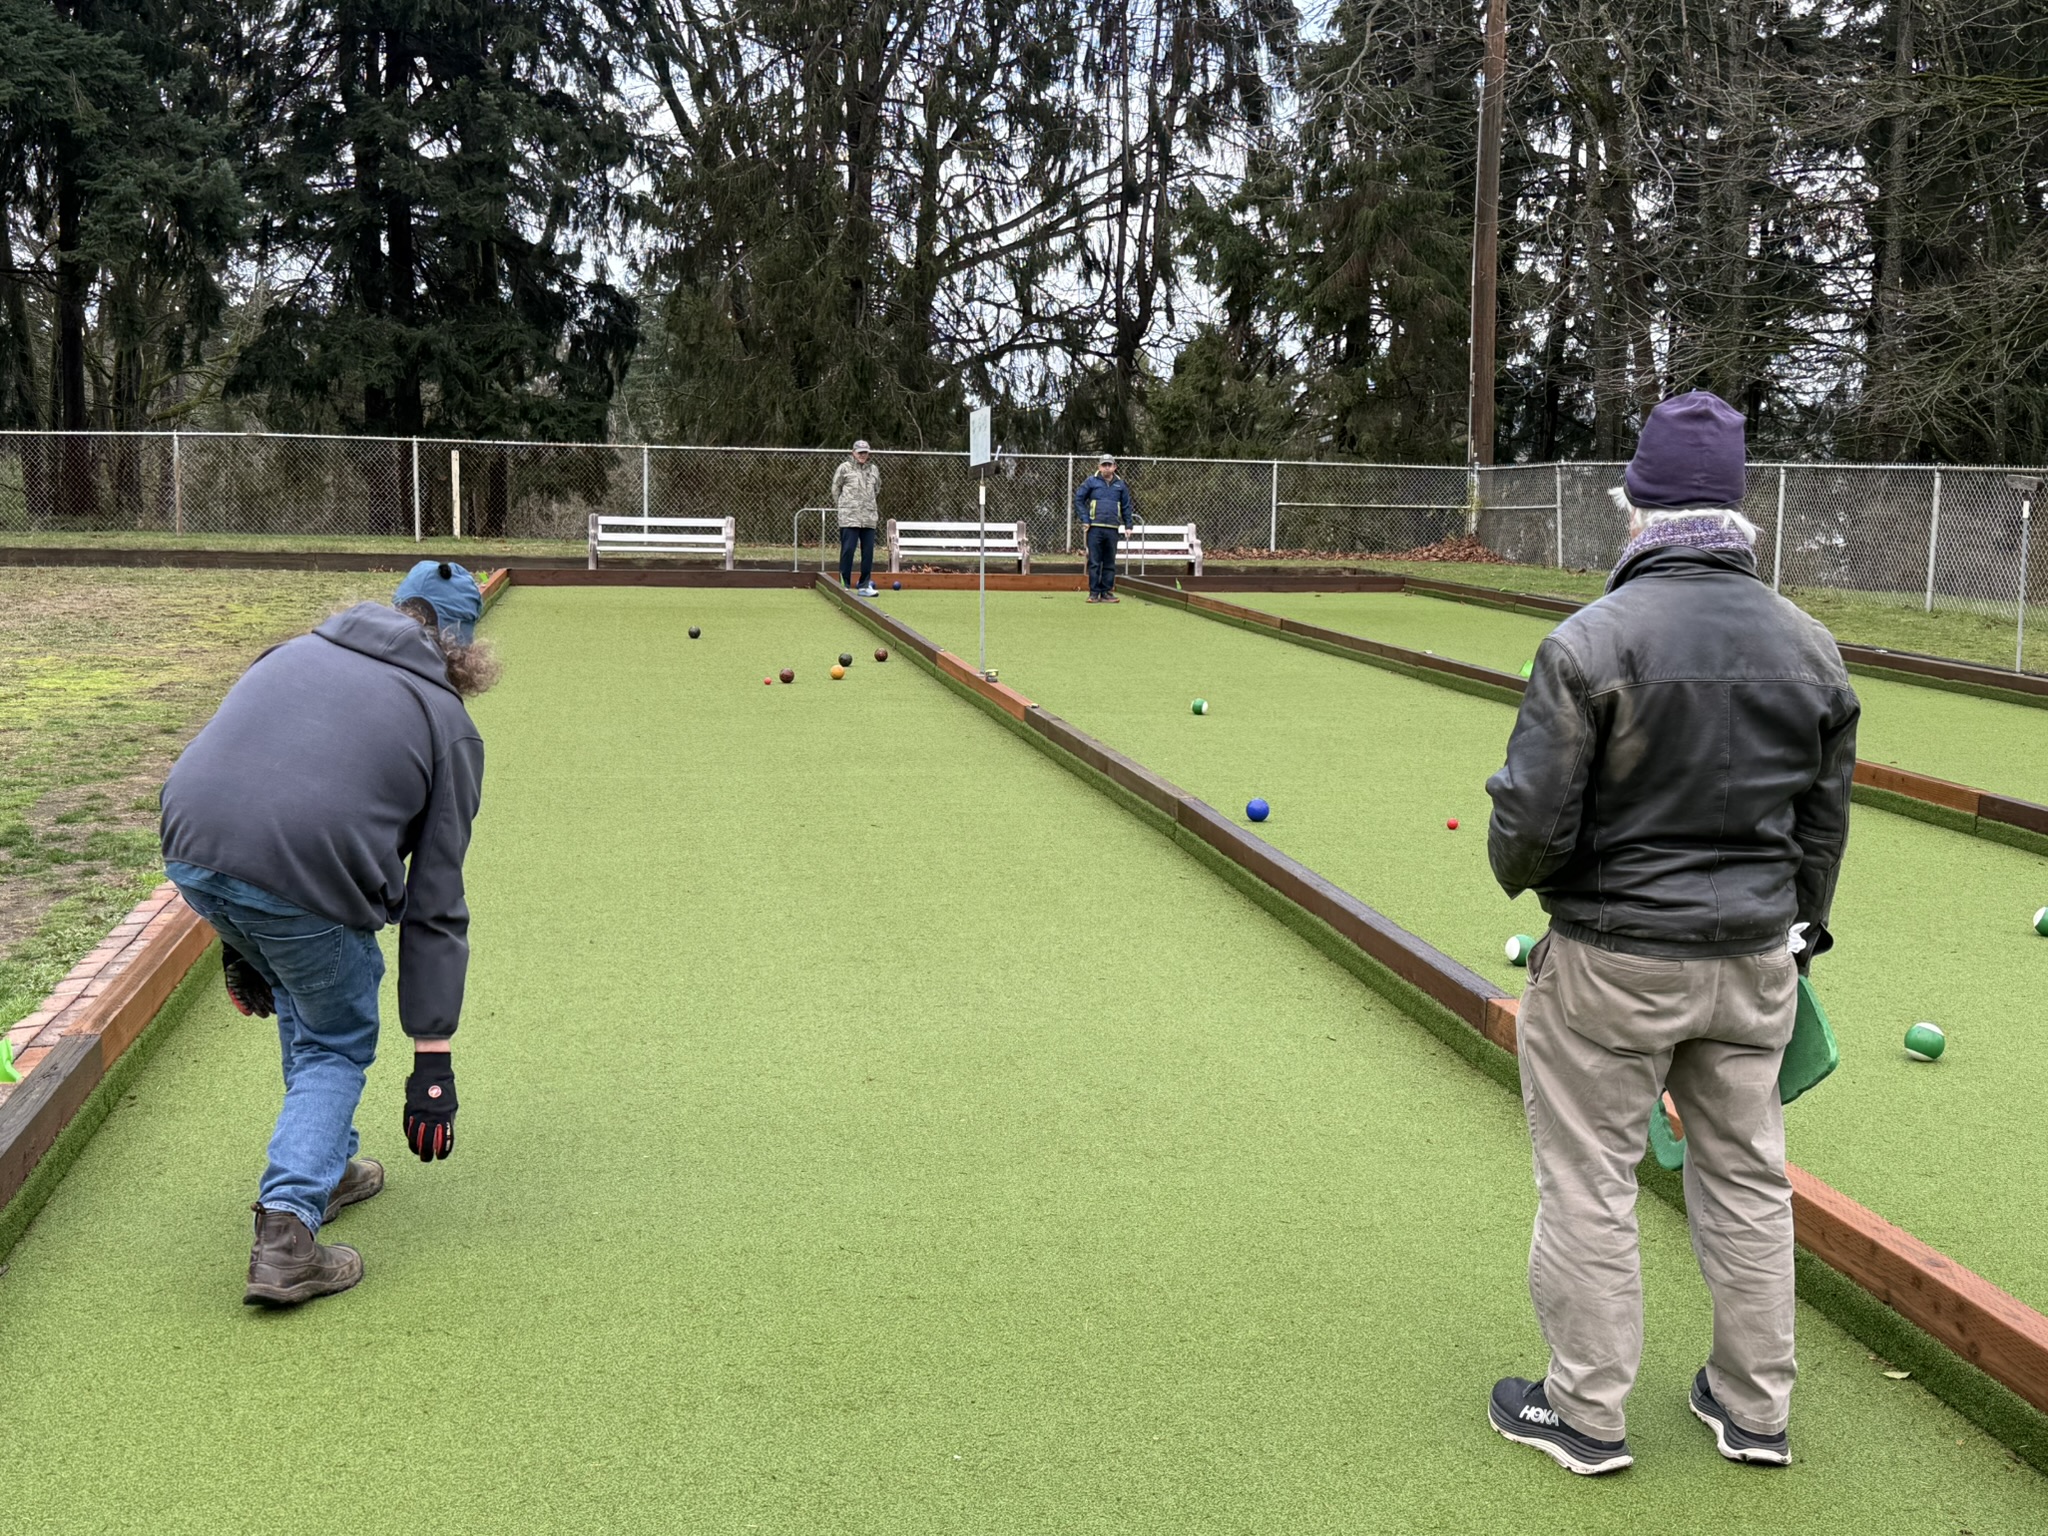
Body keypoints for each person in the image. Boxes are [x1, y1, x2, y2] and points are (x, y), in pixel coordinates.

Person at [1482, 391, 1859, 1475]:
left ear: (1635, 508)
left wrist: (1522, 876)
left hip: (1611, 958)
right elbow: (1819, 827)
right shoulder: (1810, 647)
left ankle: (1584, 1412)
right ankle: (1753, 1411)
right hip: (1753, 961)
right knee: (1747, 1179)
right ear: (1737, 513)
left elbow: (1532, 824)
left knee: (1589, 1179)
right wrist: (1800, 933)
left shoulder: (1588, 640)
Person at [160, 560, 495, 1307]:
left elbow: (248, 778)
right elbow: (435, 904)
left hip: (188, 845)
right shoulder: (448, 724)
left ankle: (329, 1168)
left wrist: (240, 942)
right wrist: (432, 1061)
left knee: (308, 991)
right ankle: (287, 1238)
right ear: (459, 647)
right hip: (296, 873)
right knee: (337, 1038)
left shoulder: (293, 650)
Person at [1073, 454, 1136, 602]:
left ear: (1114, 466)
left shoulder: (1120, 485)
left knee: (1109, 562)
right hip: (1095, 528)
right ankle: (1094, 593)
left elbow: (1126, 505)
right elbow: (1079, 499)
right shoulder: (1091, 482)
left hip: (1112, 528)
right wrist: (1085, 518)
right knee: (1095, 561)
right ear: (1099, 467)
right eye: (1104, 465)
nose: (1107, 467)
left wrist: (1128, 525)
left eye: (1109, 465)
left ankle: (1106, 592)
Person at [833, 439, 881, 596]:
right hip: (849, 517)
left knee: (868, 552)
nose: (862, 455)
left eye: (865, 452)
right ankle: (844, 583)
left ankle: (864, 585)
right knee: (848, 550)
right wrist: (845, 507)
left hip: (868, 517)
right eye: (860, 452)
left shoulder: (873, 469)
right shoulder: (844, 468)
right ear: (853, 452)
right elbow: (836, 489)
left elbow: (877, 489)